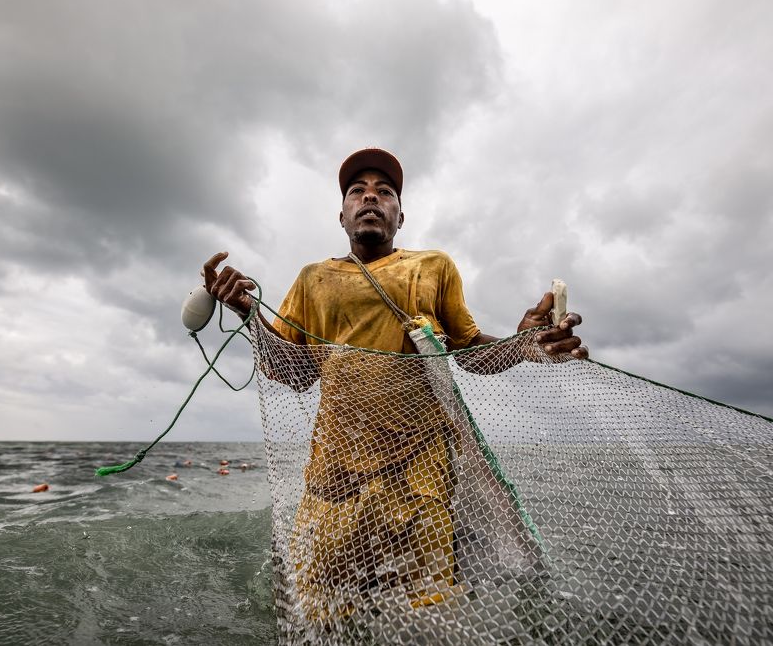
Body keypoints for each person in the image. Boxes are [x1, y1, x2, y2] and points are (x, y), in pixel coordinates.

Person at [202, 148, 587, 617]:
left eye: (384, 191)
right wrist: (247, 313)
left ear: (399, 217)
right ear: (341, 215)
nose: (370, 197)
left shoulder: (432, 267)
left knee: (426, 613)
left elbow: (469, 352)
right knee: (318, 610)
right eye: (357, 191)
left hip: (420, 477)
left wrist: (522, 344)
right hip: (336, 476)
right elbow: (294, 372)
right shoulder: (312, 280)